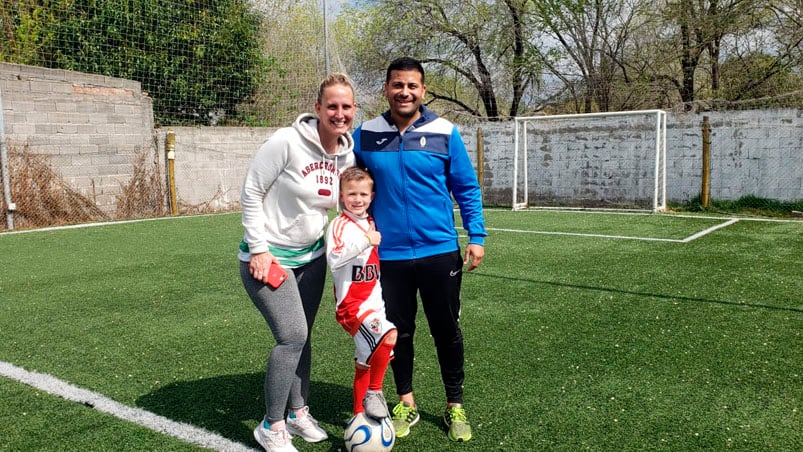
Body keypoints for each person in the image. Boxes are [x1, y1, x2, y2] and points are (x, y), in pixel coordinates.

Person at [352, 57, 486, 442]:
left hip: (439, 250)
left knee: (447, 330)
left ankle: (454, 405)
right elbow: (354, 187)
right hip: (389, 255)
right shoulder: (366, 135)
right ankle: (405, 402)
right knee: (398, 332)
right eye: (397, 85)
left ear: (423, 90)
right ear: (386, 89)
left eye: (412, 86)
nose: (404, 92)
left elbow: (467, 188)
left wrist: (476, 236)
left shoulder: (445, 132)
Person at [238, 72, 357, 452]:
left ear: (354, 111)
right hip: (269, 259)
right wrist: (258, 248)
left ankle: (297, 412)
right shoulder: (286, 141)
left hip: (313, 258)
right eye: (332, 106)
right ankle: (271, 426)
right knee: (292, 336)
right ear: (318, 108)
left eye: (346, 107)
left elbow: (343, 204)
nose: (339, 113)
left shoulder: (346, 154)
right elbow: (252, 190)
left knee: (303, 339)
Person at [326, 166, 397, 420]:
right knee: (388, 335)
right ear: (341, 197)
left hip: (374, 303)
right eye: (352, 194)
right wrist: (366, 240)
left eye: (363, 195)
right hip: (352, 306)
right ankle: (375, 392)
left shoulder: (370, 221)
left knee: (366, 360)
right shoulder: (339, 225)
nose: (358, 199)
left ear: (372, 196)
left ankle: (358, 414)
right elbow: (334, 258)